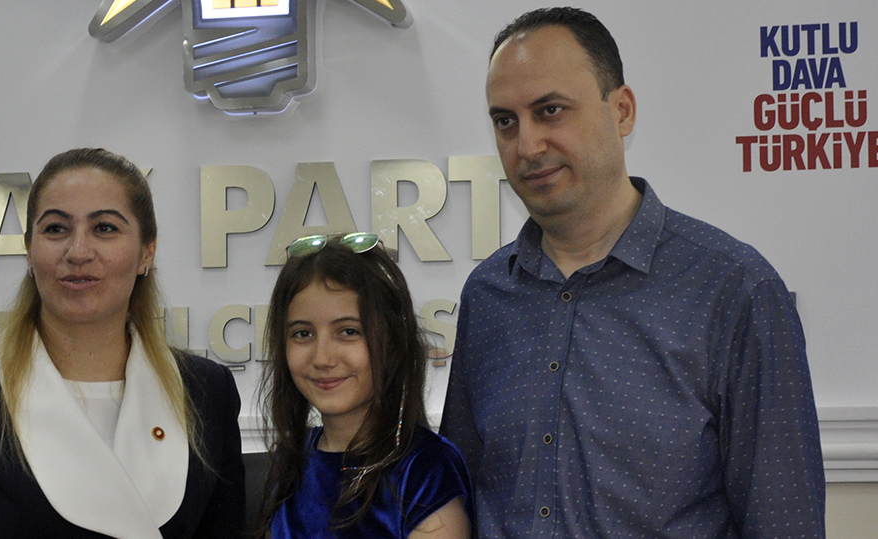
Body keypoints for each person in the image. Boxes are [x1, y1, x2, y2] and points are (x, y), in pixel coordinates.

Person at [440, 7, 825, 539]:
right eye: (506, 121)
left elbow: (785, 522)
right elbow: (456, 500)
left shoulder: (734, 291)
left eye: (550, 110)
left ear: (622, 111)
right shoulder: (487, 295)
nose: (527, 146)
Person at [0, 148, 245, 539]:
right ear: (29, 249)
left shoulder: (206, 392)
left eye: (105, 228)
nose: (78, 252)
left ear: (147, 251)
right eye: (56, 229)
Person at [255, 233, 474, 539]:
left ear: (393, 342)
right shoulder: (289, 461)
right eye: (303, 334)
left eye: (348, 331)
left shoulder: (426, 468)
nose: (322, 358)